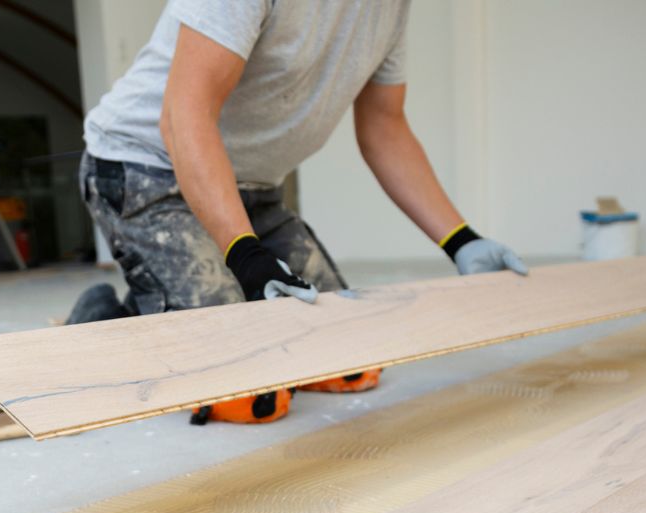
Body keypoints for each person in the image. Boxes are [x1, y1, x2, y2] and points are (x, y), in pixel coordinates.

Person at [68, 0, 528, 423]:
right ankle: (110, 326)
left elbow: (385, 125)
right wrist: (244, 254)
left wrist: (461, 239)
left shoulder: (390, 7)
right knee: (247, 395)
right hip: (146, 171)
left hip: (254, 190)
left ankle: (173, 300)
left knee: (348, 364)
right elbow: (184, 113)